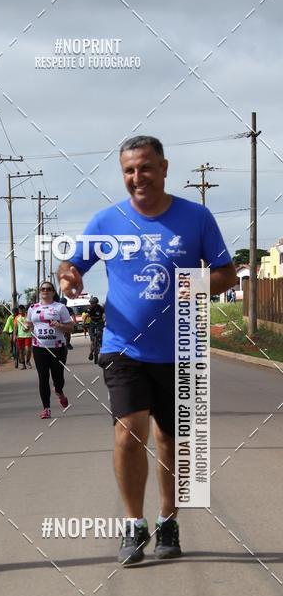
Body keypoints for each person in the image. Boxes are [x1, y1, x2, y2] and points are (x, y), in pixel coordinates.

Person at [58, 135, 237, 565]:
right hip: (124, 348)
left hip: (181, 349)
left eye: (145, 168)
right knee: (129, 432)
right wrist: (69, 277)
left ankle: (168, 520)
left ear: (164, 168)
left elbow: (227, 274)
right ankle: (134, 523)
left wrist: (192, 284)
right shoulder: (107, 221)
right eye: (129, 170)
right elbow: (71, 264)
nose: (137, 177)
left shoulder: (196, 218)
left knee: (172, 442)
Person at [26, 282, 73, 418]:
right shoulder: (32, 308)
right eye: (43, 289)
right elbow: (29, 324)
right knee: (43, 377)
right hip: (39, 348)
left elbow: (70, 327)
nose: (45, 291)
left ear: (53, 292)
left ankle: (59, 391)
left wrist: (59, 325)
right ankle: (46, 408)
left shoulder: (60, 307)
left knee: (58, 378)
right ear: (40, 291)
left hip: (58, 347)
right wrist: (27, 327)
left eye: (48, 289)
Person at [14, 304, 33, 370]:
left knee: (28, 349)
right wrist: (14, 336)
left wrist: (29, 328)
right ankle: (23, 364)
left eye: (22, 310)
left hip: (28, 335)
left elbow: (32, 325)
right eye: (20, 310)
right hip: (20, 336)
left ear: (24, 310)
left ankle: (27, 360)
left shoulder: (28, 317)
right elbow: (15, 327)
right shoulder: (17, 318)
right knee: (21, 350)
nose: (21, 311)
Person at [86, 296, 105, 361]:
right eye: (90, 303)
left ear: (96, 303)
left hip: (100, 323)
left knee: (101, 334)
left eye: (92, 303)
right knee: (92, 341)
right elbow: (87, 315)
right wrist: (84, 323)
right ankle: (91, 353)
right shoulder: (90, 308)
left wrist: (106, 321)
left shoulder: (101, 308)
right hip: (92, 323)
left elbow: (104, 315)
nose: (91, 304)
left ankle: (100, 343)